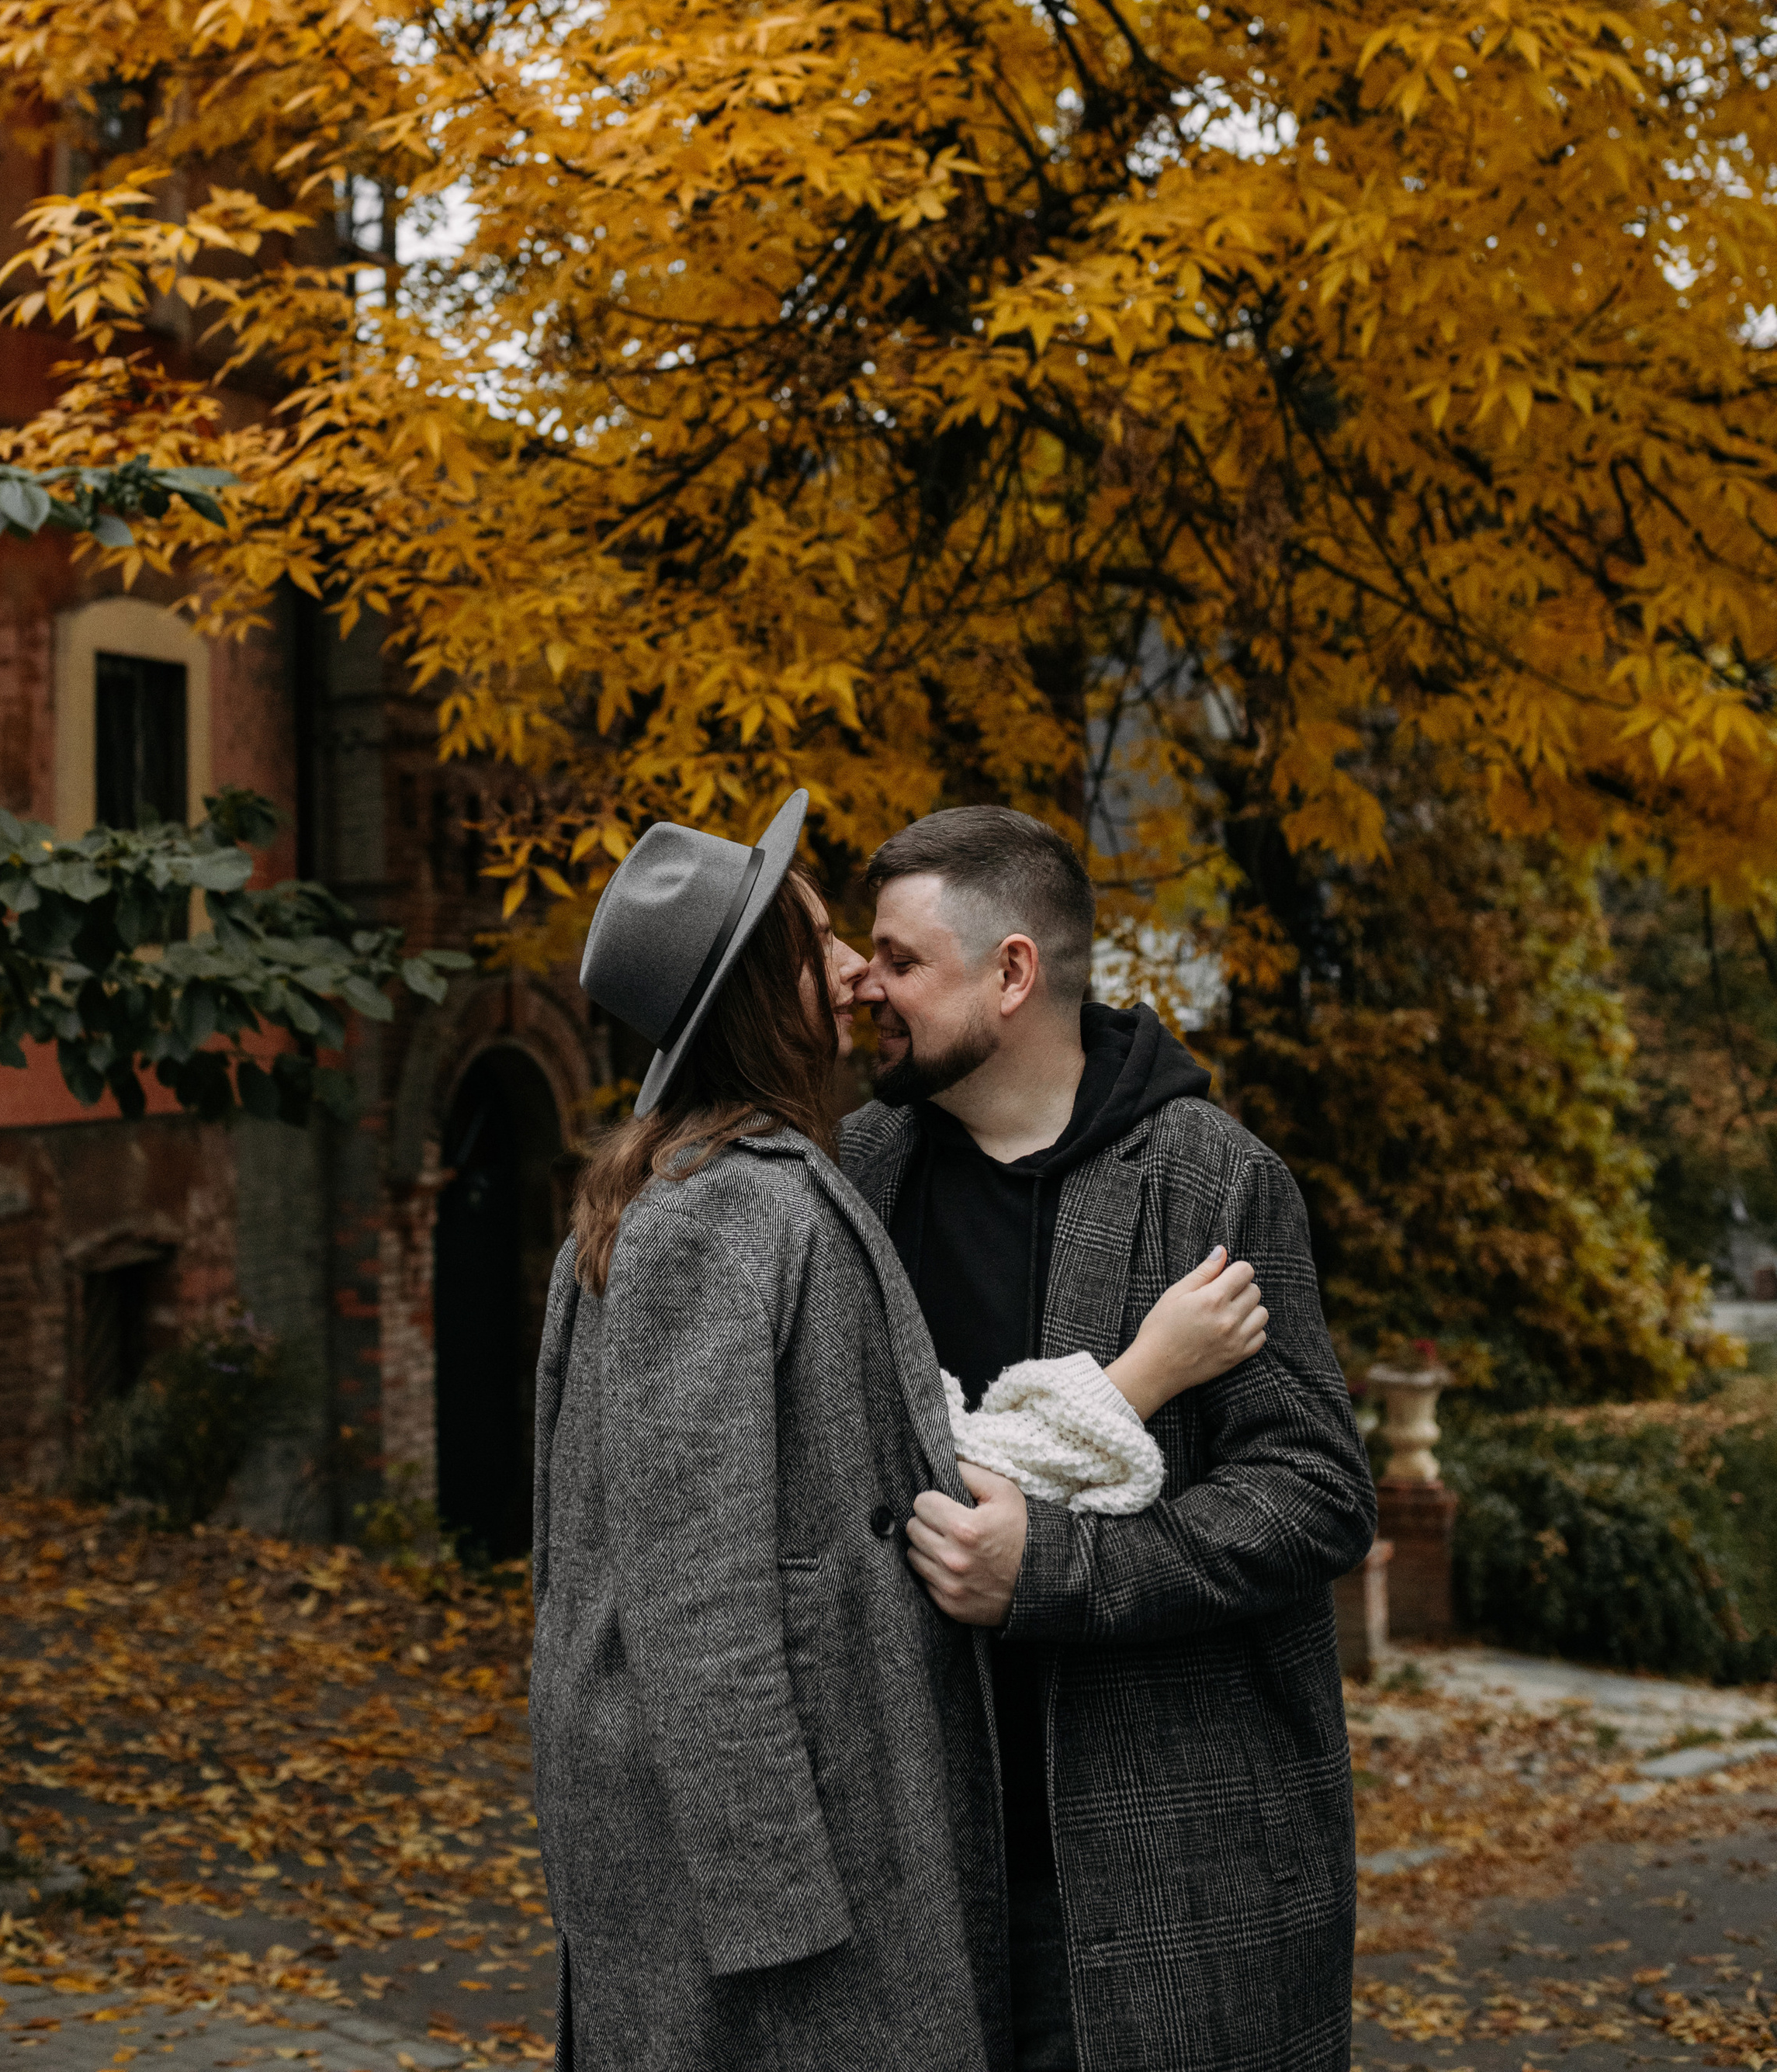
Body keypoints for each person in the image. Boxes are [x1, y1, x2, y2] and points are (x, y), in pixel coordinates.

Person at [530, 790, 1271, 2072]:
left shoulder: (767, 1183)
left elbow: (933, 1470)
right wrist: (781, 1918)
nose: (855, 973)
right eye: (822, 942)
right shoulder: (726, 1213)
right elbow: (694, 1588)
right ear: (768, 986)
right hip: (787, 1898)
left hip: (837, 1852)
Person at [844, 805, 1379, 2072]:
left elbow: (1316, 1492)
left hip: (1171, 1873)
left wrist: (1057, 1572)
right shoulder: (862, 1167)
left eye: (900, 962)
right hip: (927, 1868)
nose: (864, 985)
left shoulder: (1206, 1178)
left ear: (1013, 973)